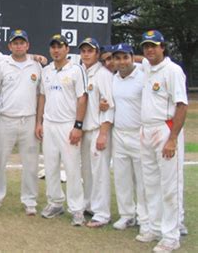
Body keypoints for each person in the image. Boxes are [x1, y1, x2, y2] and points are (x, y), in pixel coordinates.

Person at [135, 30, 187, 252]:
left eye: (153, 46)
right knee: (151, 184)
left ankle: (171, 236)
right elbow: (139, 60)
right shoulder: (147, 67)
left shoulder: (173, 71)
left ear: (163, 47)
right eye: (146, 46)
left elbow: (182, 106)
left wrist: (173, 139)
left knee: (169, 186)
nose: (149, 50)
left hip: (165, 130)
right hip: (146, 130)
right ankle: (155, 228)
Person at [0, 29, 42, 216]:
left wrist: (38, 121)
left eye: (22, 42)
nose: (19, 46)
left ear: (27, 45)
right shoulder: (1, 65)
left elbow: (39, 94)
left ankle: (30, 200)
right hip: (5, 119)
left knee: (31, 163)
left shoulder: (36, 66)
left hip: (29, 119)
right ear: (10, 45)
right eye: (15, 43)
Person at [36, 34, 88, 226]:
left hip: (68, 125)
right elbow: (42, 96)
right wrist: (39, 122)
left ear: (67, 49)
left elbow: (82, 98)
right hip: (49, 124)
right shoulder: (46, 70)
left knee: (72, 167)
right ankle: (55, 202)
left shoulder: (76, 70)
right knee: (50, 166)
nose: (56, 50)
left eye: (60, 46)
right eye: (53, 47)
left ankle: (76, 209)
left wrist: (78, 125)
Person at [109, 43, 150, 234]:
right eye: (118, 58)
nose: (122, 62)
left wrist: (140, 59)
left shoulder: (144, 75)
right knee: (122, 178)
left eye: (125, 57)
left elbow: (153, 61)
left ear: (133, 57)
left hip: (139, 133)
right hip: (119, 134)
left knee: (143, 180)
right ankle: (127, 215)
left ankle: (145, 217)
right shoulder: (113, 79)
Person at [78, 37, 114, 228]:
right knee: (87, 171)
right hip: (84, 130)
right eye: (83, 51)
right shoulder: (82, 72)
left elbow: (109, 106)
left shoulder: (103, 75)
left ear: (97, 54)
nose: (86, 54)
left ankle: (102, 213)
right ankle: (90, 204)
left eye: (90, 51)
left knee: (99, 172)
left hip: (98, 129)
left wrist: (103, 133)